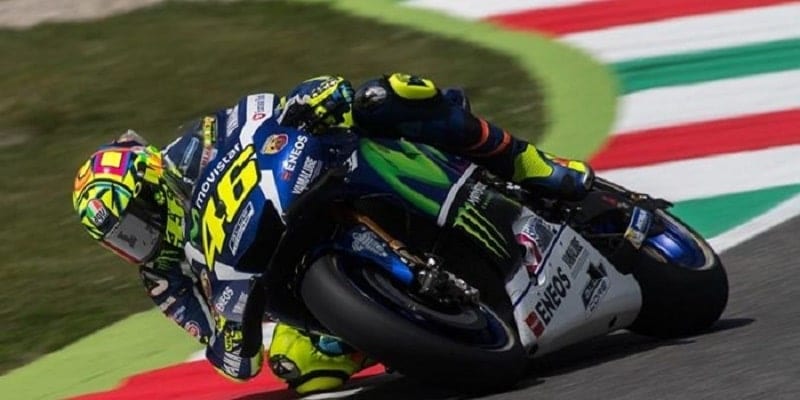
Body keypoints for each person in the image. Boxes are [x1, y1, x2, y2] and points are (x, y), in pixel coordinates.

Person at [72, 73, 593, 394]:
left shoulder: (191, 149)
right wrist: (228, 335)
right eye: (121, 241)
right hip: (291, 289)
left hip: (316, 181)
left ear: (154, 186)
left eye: (134, 224)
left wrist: (306, 102)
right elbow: (224, 351)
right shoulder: (163, 278)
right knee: (299, 368)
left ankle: (528, 162)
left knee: (383, 96)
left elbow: (258, 114)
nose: (137, 243)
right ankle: (406, 333)